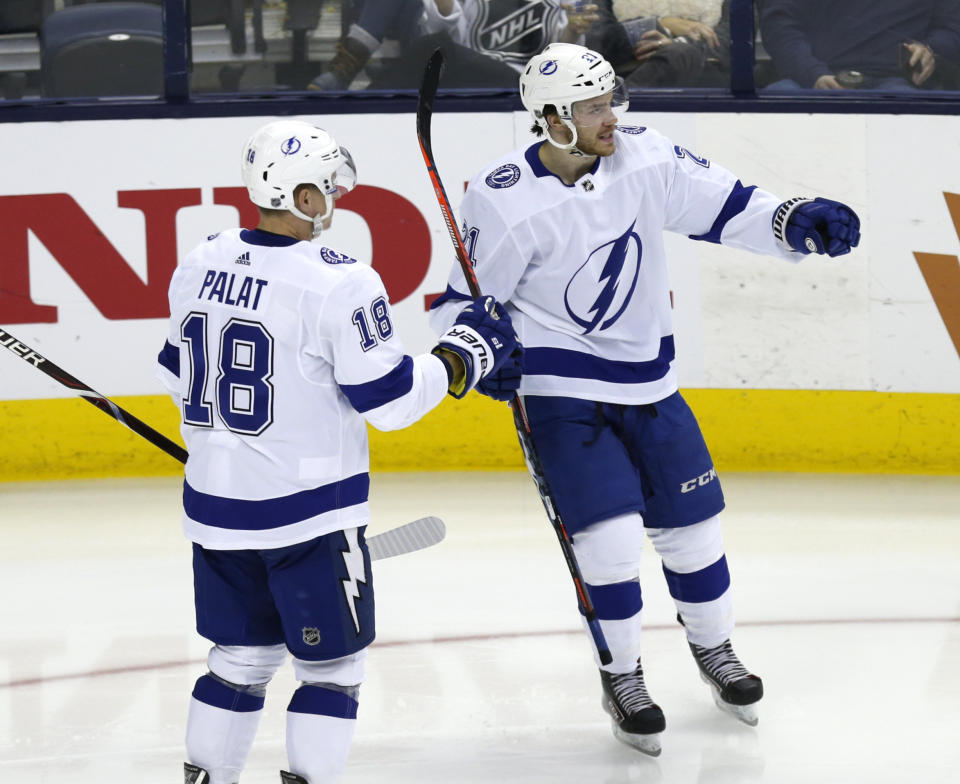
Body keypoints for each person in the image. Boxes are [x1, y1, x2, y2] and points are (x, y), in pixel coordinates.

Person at [429, 42, 860, 756]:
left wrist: (793, 217)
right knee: (611, 543)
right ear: (552, 119)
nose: (611, 118)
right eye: (593, 107)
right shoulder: (503, 198)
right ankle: (623, 674)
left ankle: (715, 651)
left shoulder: (645, 156)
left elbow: (730, 204)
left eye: (610, 101)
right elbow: (458, 302)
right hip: (561, 391)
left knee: (695, 533)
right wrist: (480, 355)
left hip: (651, 384)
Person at [156, 119, 519, 784]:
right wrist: (466, 354)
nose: (336, 200)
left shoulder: (200, 259)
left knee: (238, 660)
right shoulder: (339, 280)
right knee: (331, 669)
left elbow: (173, 373)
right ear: (297, 194)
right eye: (326, 188)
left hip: (214, 509)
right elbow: (392, 402)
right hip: (309, 515)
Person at [309, 0, 600, 91]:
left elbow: (562, 55)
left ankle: (365, 103)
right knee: (435, 46)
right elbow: (443, 31)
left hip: (527, 83)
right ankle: (357, 90)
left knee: (436, 47)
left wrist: (574, 31)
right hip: (471, 76)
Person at [759, 0, 960, 91]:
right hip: (812, 85)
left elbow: (952, 28)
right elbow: (780, 25)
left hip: (903, 86)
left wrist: (931, 50)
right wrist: (812, 74)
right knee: (778, 101)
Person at [587, 0, 732, 87]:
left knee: (680, 54)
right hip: (630, 72)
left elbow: (733, 43)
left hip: (704, 79)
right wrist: (660, 25)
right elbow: (597, 41)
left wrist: (675, 44)